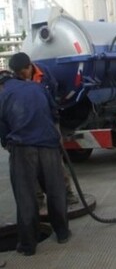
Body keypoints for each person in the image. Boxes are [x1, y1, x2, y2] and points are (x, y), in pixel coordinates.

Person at [0, 70, 71, 256]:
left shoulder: (2, 94)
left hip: (23, 149)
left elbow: (2, 126)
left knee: (26, 196)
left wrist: (7, 143)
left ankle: (28, 245)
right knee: (56, 190)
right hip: (49, 146)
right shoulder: (37, 87)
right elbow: (54, 112)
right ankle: (63, 233)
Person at [8, 52, 79, 206]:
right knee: (31, 164)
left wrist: (54, 122)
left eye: (22, 72)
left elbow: (53, 96)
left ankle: (66, 194)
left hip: (48, 121)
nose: (21, 76)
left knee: (56, 159)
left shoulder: (44, 73)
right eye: (17, 74)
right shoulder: (14, 81)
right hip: (27, 124)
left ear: (30, 66)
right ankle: (38, 199)